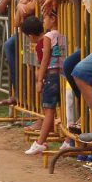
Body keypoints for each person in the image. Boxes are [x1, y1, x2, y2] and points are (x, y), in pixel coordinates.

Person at [21, 11, 66, 156]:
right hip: (61, 74)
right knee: (61, 109)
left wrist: (39, 80)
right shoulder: (62, 33)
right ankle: (66, 139)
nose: (43, 21)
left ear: (53, 18)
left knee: (48, 111)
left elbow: (45, 60)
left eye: (45, 18)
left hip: (51, 76)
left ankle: (40, 143)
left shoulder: (48, 37)